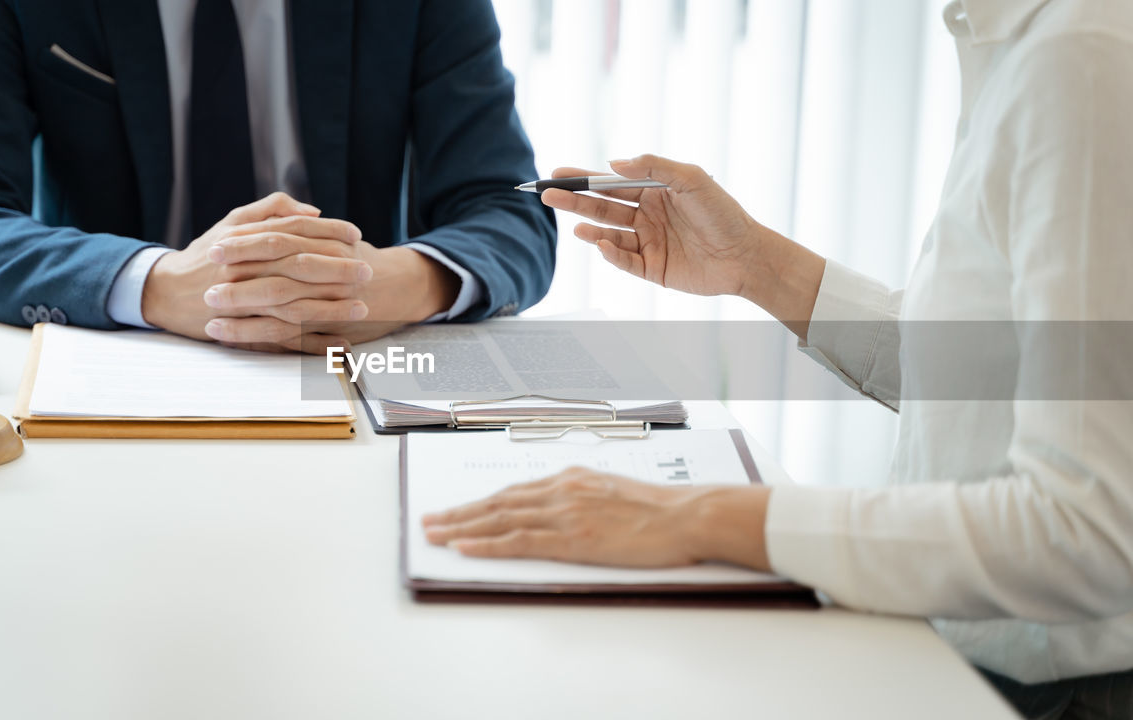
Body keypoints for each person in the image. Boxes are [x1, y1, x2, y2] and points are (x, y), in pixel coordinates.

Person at [423, 0, 1133, 716]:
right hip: (981, 663)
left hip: (1063, 693)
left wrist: (701, 516)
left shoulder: (1085, 55)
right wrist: (757, 266)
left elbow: (1089, 528)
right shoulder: (1020, 38)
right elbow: (994, 371)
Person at [0, 0, 555, 353]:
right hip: (112, 375)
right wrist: (157, 285)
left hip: (351, 373)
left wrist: (402, 283)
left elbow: (510, 206)